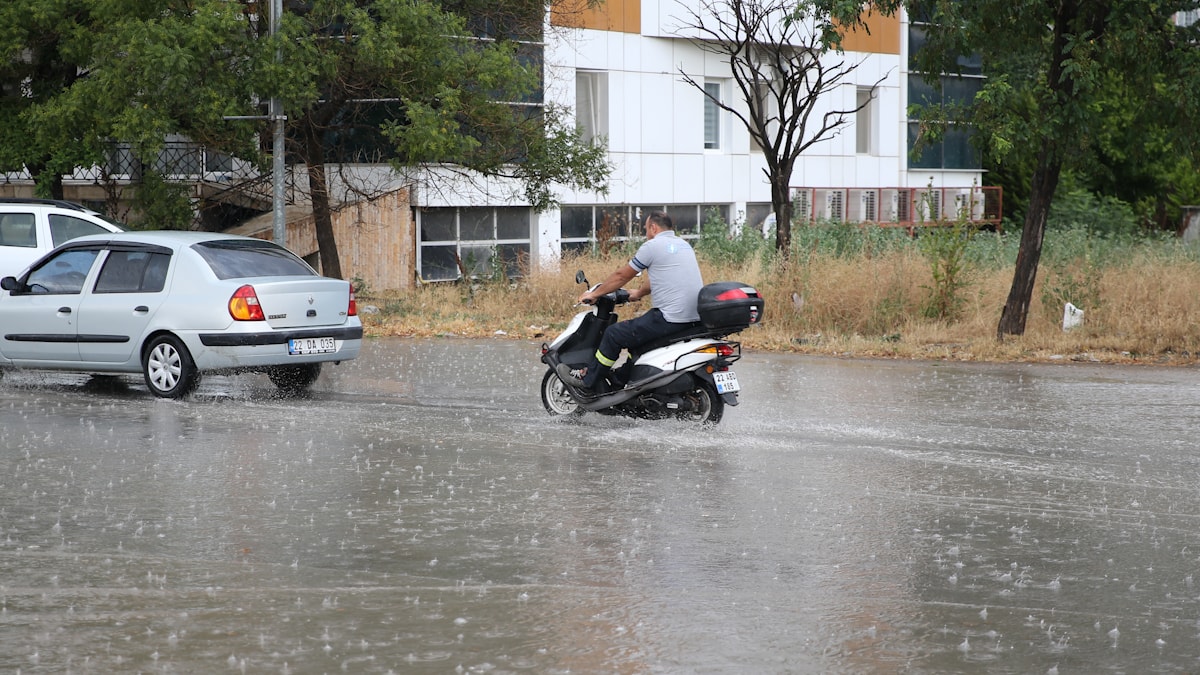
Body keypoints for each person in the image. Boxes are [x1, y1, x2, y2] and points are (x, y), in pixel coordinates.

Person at [557, 210, 704, 392]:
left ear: (653, 227)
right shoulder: (683, 245)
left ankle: (589, 380)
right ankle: (620, 381)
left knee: (613, 335)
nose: (645, 233)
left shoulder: (653, 246)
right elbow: (658, 277)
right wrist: (638, 293)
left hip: (669, 318)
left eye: (645, 229)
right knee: (639, 342)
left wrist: (595, 294)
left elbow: (621, 276)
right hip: (692, 319)